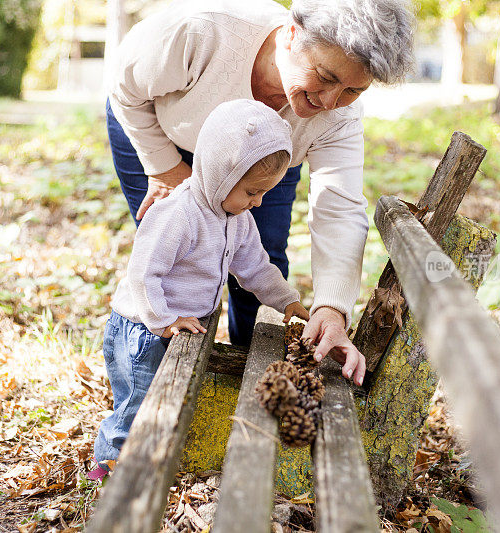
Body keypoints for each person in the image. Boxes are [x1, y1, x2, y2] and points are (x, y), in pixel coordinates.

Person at [106, 0, 415, 387]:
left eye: (353, 89)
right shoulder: (201, 31)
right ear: (291, 35)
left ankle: (248, 382)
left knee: (261, 254)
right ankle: (151, 378)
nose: (330, 102)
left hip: (264, 160)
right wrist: (165, 168)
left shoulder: (338, 117)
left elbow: (339, 208)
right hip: (158, 129)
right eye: (326, 76)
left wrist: (332, 308)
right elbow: (125, 86)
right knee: (176, 251)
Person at [91, 100, 310, 479]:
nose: (257, 202)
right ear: (222, 175)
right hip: (141, 329)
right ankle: (110, 467)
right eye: (252, 192)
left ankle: (152, 455)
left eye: (263, 194)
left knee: (165, 399)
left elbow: (256, 268)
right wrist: (162, 320)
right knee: (137, 402)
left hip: (177, 325)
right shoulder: (179, 213)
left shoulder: (236, 217)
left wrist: (287, 300)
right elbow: (144, 273)